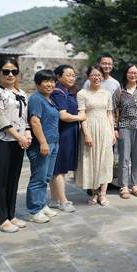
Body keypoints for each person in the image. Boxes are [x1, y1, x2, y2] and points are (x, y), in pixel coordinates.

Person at [0, 58, 31, 233]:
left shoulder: (22, 93)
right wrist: (20, 137)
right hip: (2, 142)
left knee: (13, 179)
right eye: (6, 71)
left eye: (14, 71)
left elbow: (25, 117)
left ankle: (11, 215)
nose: (10, 74)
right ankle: (0, 218)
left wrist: (27, 134)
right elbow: (1, 119)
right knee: (1, 180)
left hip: (18, 142)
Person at [76, 64, 116, 206]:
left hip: (105, 129)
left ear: (102, 77)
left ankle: (103, 194)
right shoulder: (82, 94)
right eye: (93, 75)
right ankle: (94, 193)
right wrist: (86, 134)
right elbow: (82, 115)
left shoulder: (107, 94)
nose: (96, 77)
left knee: (105, 161)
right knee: (91, 161)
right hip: (90, 129)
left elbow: (110, 114)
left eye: (99, 75)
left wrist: (112, 132)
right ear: (89, 77)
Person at [113, 64, 137, 199]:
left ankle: (135, 185)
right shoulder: (120, 91)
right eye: (130, 72)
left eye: (135, 73)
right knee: (124, 157)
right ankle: (124, 186)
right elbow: (113, 111)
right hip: (124, 126)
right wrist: (114, 128)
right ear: (126, 74)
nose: (133, 75)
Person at [49, 65, 84, 213]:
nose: (72, 78)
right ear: (58, 77)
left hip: (68, 132)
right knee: (60, 169)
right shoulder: (59, 92)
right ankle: (63, 201)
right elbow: (63, 115)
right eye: (68, 75)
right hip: (63, 133)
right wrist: (80, 117)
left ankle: (54, 199)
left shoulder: (66, 91)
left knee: (58, 168)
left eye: (73, 75)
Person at [26, 69, 60, 223]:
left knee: (46, 177)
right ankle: (34, 211)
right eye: (46, 81)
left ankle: (42, 204)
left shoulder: (49, 99)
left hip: (53, 143)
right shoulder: (36, 99)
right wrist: (43, 142)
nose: (50, 84)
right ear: (38, 83)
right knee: (38, 177)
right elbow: (34, 121)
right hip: (41, 145)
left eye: (52, 81)